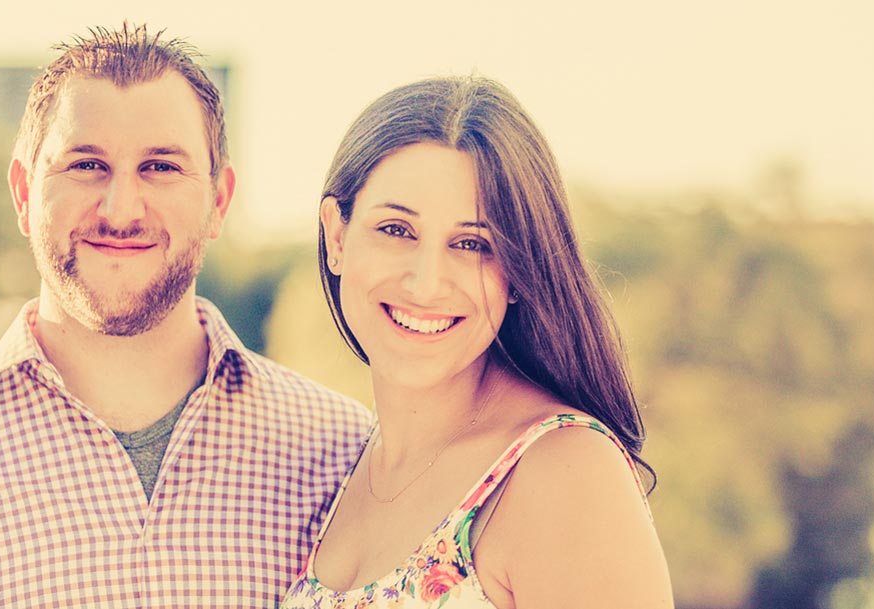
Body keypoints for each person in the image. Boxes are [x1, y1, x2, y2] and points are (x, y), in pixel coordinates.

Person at [0, 23, 371, 608]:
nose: (121, 210)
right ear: (24, 193)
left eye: (160, 167)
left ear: (219, 201)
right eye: (86, 165)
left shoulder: (345, 453)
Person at [280, 76, 674, 608]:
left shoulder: (565, 473)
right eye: (397, 230)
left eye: (472, 244)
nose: (426, 283)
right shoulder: (342, 470)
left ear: (518, 270)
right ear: (336, 236)